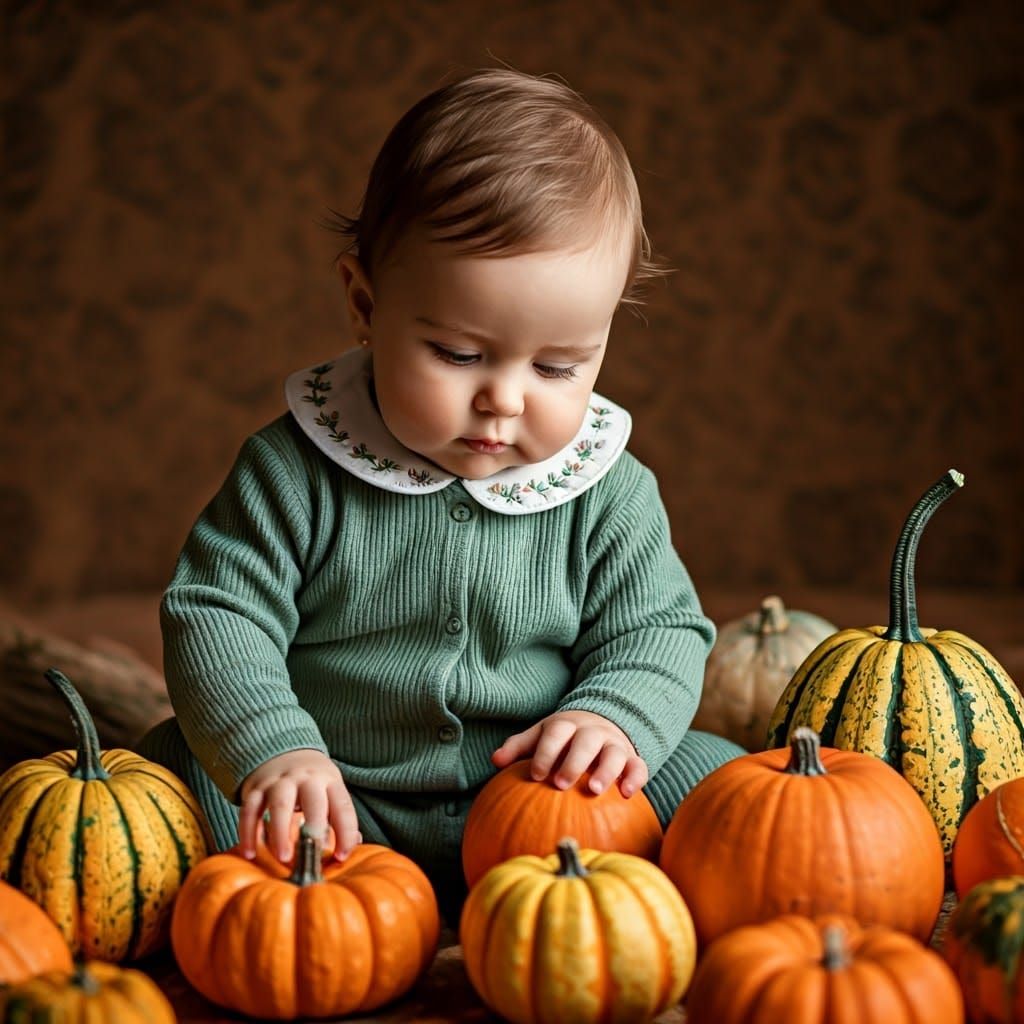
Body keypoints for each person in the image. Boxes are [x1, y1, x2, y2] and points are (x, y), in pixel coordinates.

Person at [138, 67, 743, 919]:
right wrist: (275, 750)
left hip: (542, 804)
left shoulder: (606, 490)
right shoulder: (294, 470)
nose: (505, 399)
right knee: (163, 771)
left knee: (722, 779)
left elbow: (660, 630)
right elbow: (215, 612)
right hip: (336, 802)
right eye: (459, 355)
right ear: (365, 304)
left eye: (558, 367)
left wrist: (610, 719)